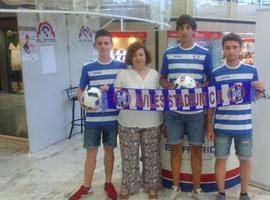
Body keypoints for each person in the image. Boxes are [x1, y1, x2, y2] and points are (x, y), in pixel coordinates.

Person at [69, 29, 127, 200]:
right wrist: (82, 102)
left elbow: (124, 92)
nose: (103, 46)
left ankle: (108, 183)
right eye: (100, 43)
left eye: (106, 43)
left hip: (113, 119)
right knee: (91, 153)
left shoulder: (121, 67)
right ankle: (86, 187)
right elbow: (80, 89)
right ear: (95, 45)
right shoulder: (88, 67)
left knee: (109, 152)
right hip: (93, 120)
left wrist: (112, 90)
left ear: (111, 45)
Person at [206, 33, 265, 200]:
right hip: (222, 127)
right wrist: (209, 125)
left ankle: (244, 193)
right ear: (223, 50)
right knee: (221, 160)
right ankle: (221, 193)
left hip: (244, 127)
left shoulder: (251, 70)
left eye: (234, 47)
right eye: (227, 47)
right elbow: (211, 102)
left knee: (245, 160)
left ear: (240, 49)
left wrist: (261, 90)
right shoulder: (216, 73)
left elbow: (256, 96)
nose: (231, 51)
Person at [159, 14, 212, 200]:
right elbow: (162, 79)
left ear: (194, 31)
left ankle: (197, 190)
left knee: (196, 150)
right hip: (174, 112)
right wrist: (170, 87)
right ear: (177, 32)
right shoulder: (169, 54)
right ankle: (175, 187)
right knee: (175, 149)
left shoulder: (204, 54)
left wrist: (200, 87)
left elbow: (209, 80)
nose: (185, 31)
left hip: (196, 112)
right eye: (181, 28)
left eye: (189, 28)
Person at [114, 42, 163, 200]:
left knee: (151, 157)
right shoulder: (123, 74)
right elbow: (116, 97)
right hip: (128, 123)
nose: (138, 58)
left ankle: (152, 186)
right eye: (134, 55)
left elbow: (161, 98)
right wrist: (107, 92)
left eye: (140, 54)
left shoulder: (155, 75)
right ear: (130, 58)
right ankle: (128, 186)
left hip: (152, 122)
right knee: (129, 157)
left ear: (146, 56)